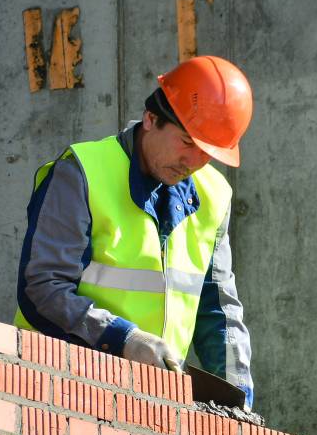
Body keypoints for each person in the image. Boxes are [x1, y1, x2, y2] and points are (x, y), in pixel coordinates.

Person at [14, 55, 254, 408]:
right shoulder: (81, 172)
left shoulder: (214, 196)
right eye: (187, 142)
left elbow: (219, 311)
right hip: (57, 393)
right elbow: (43, 289)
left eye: (207, 152)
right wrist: (122, 338)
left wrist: (238, 396)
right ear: (151, 118)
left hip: (154, 407)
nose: (193, 162)